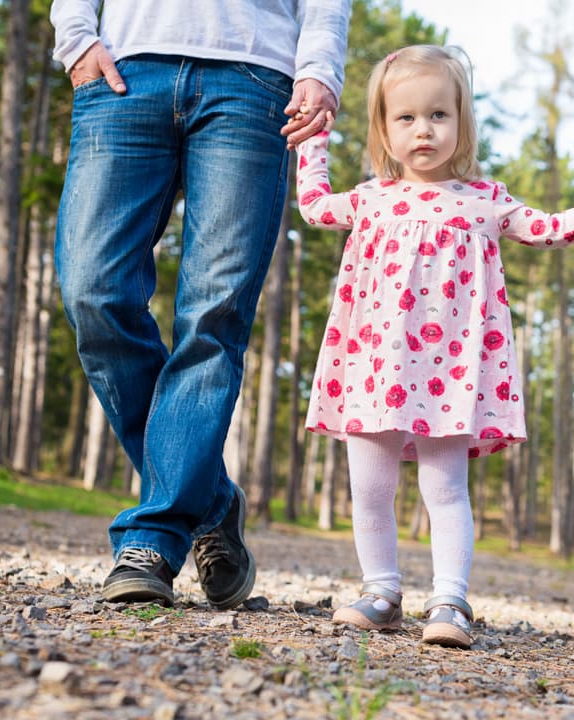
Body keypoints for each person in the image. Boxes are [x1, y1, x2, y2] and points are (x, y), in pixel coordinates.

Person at [294, 45, 574, 648]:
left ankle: (450, 601)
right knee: (370, 486)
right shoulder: (370, 198)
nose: (423, 130)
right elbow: (311, 205)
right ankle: (380, 590)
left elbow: (550, 229)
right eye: (405, 118)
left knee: (444, 488)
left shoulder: (484, 199)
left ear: (462, 122)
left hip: (448, 372)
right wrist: (314, 139)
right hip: (371, 364)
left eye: (439, 115)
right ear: (383, 127)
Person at [50, 0, 351, 609]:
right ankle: (210, 498)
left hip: (254, 80)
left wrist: (320, 68)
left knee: (213, 316)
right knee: (92, 290)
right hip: (124, 72)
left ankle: (154, 540)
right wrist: (76, 38)